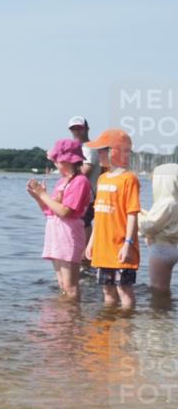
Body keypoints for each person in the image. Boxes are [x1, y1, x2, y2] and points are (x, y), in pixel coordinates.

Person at [26, 139, 92, 299]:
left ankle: (72, 320)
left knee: (70, 287)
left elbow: (65, 211)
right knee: (62, 285)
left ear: (68, 160)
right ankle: (64, 319)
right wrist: (38, 198)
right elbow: (50, 211)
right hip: (55, 234)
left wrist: (43, 194)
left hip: (69, 235)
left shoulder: (80, 181)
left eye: (57, 159)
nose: (55, 163)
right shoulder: (62, 182)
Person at [83, 128, 140, 308]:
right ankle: (107, 327)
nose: (98, 154)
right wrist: (91, 243)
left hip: (121, 246)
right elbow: (99, 216)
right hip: (103, 247)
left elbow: (132, 214)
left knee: (124, 289)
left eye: (101, 150)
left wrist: (128, 244)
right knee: (107, 290)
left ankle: (125, 329)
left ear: (113, 152)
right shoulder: (102, 179)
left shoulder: (128, 179)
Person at [138, 163, 178, 296]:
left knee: (158, 290)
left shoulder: (167, 202)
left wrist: (135, 214)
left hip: (162, 248)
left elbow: (150, 226)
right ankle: (169, 315)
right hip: (174, 246)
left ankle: (159, 316)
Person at [68, 116, 101, 257]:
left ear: (86, 129)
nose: (76, 131)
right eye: (73, 128)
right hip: (81, 194)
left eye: (79, 128)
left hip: (89, 195)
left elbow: (86, 171)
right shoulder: (79, 148)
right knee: (81, 223)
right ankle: (83, 256)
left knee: (83, 222)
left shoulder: (89, 147)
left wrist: (65, 169)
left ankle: (84, 256)